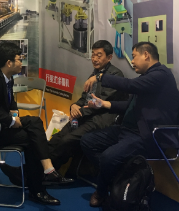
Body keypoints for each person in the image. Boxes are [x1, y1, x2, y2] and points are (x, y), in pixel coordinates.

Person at [80, 41, 179, 208]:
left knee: (108, 157)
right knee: (88, 141)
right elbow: (129, 105)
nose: (132, 61)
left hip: (146, 136)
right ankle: (119, 178)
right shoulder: (148, 77)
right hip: (128, 131)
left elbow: (130, 85)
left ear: (146, 55)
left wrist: (100, 77)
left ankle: (101, 192)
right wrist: (103, 104)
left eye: (134, 56)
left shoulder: (161, 75)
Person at [0, 42, 69, 206]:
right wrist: (11, 121)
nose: (21, 63)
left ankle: (44, 175)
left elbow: (11, 105)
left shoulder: (7, 78)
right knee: (33, 138)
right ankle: (40, 184)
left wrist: (15, 117)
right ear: (9, 63)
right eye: (19, 59)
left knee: (35, 124)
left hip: (1, 128)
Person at [48, 40, 127, 173]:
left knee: (67, 140)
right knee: (57, 138)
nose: (94, 59)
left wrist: (79, 112)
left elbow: (100, 102)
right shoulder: (94, 73)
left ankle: (49, 172)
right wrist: (74, 106)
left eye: (99, 55)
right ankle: (39, 168)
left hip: (101, 118)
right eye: (93, 55)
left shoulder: (115, 75)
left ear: (109, 57)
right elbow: (85, 98)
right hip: (86, 114)